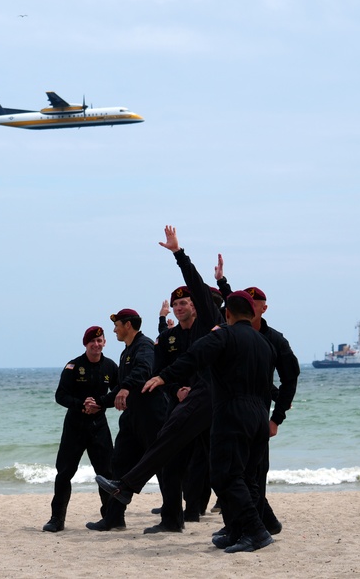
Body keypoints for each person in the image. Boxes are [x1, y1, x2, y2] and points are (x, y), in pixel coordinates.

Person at [94, 226, 222, 533]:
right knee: (170, 453)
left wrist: (179, 254)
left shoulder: (210, 324)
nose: (180, 306)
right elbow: (165, 367)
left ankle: (213, 513)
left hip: (212, 400)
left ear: (197, 305)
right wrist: (174, 386)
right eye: (176, 304)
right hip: (184, 402)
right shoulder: (169, 338)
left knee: (219, 465)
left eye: (185, 302)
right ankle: (165, 514)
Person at [141, 291, 277, 553]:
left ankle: (256, 531)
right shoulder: (264, 343)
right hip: (260, 415)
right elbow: (270, 383)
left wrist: (163, 377)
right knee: (247, 477)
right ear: (252, 314)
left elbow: (193, 357)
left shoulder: (224, 335)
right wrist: (278, 410)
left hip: (232, 412)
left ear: (227, 314)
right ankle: (237, 531)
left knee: (224, 476)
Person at [216, 258, 300, 537]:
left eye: (256, 304)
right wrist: (221, 282)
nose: (251, 308)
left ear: (263, 308)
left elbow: (290, 379)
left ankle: (255, 527)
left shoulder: (275, 340)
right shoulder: (228, 335)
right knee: (228, 474)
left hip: (257, 417)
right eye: (247, 304)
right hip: (229, 413)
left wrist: (276, 419)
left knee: (254, 474)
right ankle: (240, 525)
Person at [83, 309, 168, 531]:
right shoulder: (126, 351)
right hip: (132, 417)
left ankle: (172, 518)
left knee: (161, 465)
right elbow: (121, 389)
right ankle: (114, 518)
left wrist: (126, 388)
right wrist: (101, 403)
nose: (114, 330)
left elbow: (143, 370)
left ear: (128, 325)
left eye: (117, 325)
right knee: (118, 463)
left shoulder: (144, 345)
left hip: (151, 415)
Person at [43, 326, 119, 533]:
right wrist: (81, 404)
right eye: (92, 342)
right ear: (85, 344)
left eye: (100, 341)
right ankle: (57, 519)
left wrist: (101, 403)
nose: (96, 345)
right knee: (64, 473)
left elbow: (119, 393)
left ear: (104, 343)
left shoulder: (111, 367)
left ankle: (110, 518)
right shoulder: (73, 366)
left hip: (99, 427)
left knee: (106, 473)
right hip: (75, 426)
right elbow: (60, 396)